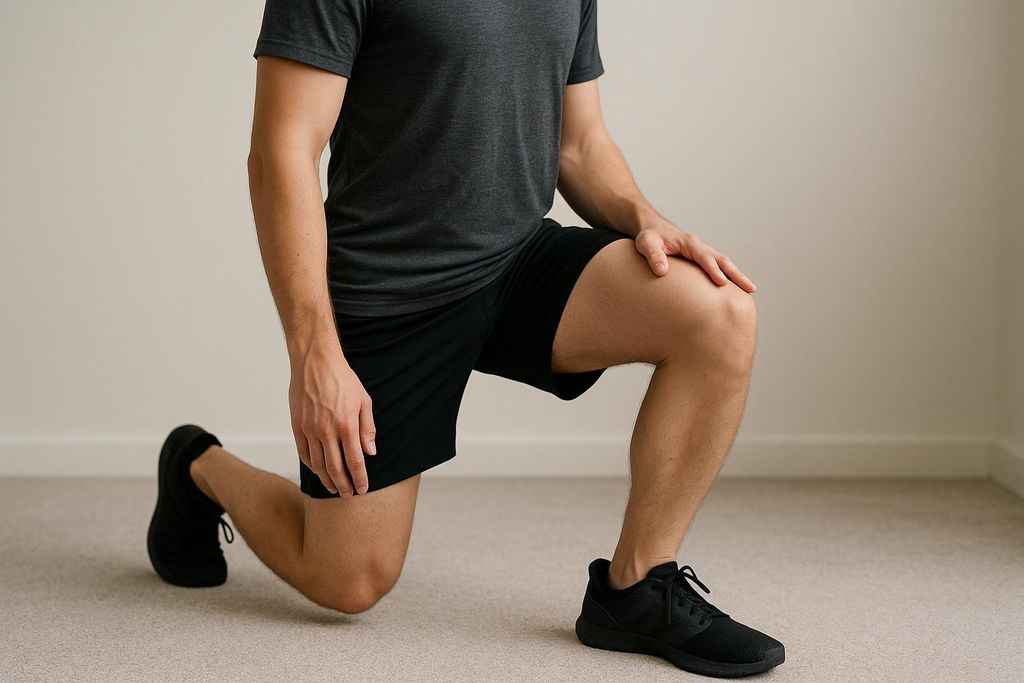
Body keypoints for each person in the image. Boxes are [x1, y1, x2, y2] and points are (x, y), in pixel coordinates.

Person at [146, 0, 785, 677]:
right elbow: (281, 153)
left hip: (515, 259)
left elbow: (580, 142)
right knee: (347, 580)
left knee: (718, 310)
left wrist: (643, 216)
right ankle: (199, 466)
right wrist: (313, 352)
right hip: (389, 291)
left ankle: (635, 586)